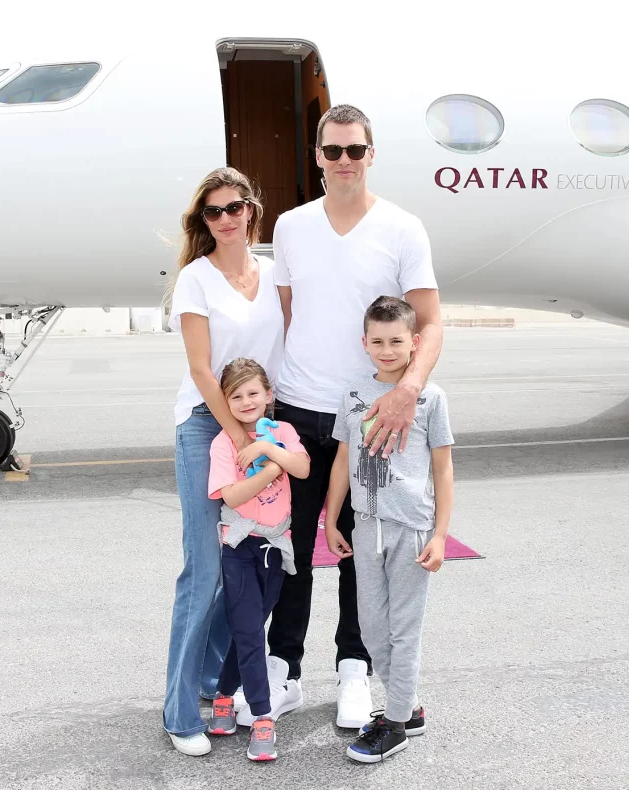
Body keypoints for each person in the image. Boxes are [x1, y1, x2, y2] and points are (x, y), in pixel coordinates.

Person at [243, 103, 444, 729]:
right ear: (319, 158)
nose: (344, 161)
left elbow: (430, 322)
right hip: (301, 408)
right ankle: (286, 669)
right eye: (333, 151)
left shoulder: (404, 228)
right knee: (295, 545)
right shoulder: (294, 227)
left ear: (371, 154)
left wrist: (408, 388)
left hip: (374, 414)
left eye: (355, 150)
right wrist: (262, 402)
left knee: (363, 550)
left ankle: (354, 670)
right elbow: (283, 315)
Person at [163, 168, 285, 756]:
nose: (226, 218)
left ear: (250, 210)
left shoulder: (274, 272)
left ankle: (215, 688)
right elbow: (201, 369)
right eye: (213, 212)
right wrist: (239, 434)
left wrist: (266, 432)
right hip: (208, 426)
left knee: (249, 572)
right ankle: (180, 710)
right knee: (206, 570)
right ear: (203, 222)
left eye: (235, 207)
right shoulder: (195, 278)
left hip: (259, 427)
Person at [323, 295, 454, 763]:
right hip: (365, 526)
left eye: (396, 341)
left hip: (412, 529)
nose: (386, 349)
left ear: (414, 342)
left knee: (405, 630)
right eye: (377, 341)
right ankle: (410, 707)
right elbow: (342, 458)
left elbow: (443, 468)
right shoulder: (354, 394)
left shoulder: (431, 398)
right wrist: (330, 517)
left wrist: (440, 534)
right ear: (364, 342)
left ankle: (396, 723)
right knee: (373, 629)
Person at [205, 358, 309, 762]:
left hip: (275, 549)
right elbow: (231, 496)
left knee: (251, 626)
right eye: (236, 395)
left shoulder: (282, 432)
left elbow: (301, 468)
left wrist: (267, 448)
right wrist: (268, 470)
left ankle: (223, 696)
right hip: (239, 547)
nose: (246, 401)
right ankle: (263, 719)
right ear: (225, 401)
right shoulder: (223, 443)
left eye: (254, 393)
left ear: (269, 395)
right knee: (250, 633)